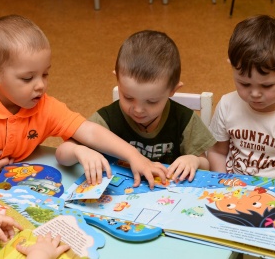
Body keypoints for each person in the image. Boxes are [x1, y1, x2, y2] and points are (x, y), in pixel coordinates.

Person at [0, 14, 167, 189]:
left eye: (45, 74)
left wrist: (134, 156)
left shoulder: (44, 107)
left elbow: (89, 131)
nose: (40, 85)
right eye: (28, 78)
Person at [80, 30, 216, 182]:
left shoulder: (185, 120)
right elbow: (69, 149)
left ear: (173, 90)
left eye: (152, 101)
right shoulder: (106, 119)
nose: (138, 109)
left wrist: (194, 160)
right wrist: (84, 152)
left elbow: (206, 165)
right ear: (117, 80)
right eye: (128, 97)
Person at [208, 14, 275, 180]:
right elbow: (217, 152)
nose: (254, 94)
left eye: (267, 86)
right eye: (244, 84)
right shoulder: (227, 105)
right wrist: (222, 184)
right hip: (232, 190)